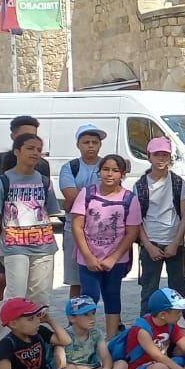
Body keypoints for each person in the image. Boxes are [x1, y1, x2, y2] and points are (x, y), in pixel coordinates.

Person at [0, 116, 51, 323]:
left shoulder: (42, 167)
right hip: (8, 233)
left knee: (35, 290)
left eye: (36, 138)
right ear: (14, 139)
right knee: (2, 279)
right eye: (26, 138)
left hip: (35, 239)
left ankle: (28, 330)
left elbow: (45, 206)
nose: (34, 148)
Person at [0, 132, 62, 328]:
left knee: (40, 300)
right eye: (30, 148)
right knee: (14, 299)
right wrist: (0, 247)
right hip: (15, 246)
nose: (35, 153)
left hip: (44, 246)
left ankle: (34, 342)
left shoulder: (45, 181)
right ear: (17, 151)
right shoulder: (2, 182)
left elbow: (51, 212)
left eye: (39, 150)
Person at [70, 154, 141, 336]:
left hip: (115, 260)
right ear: (99, 171)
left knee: (112, 296)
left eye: (115, 170)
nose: (110, 174)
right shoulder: (87, 194)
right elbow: (77, 226)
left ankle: (111, 339)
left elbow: (132, 232)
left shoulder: (129, 199)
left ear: (122, 174)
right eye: (106, 169)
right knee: (89, 297)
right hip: (88, 258)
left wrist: (113, 258)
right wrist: (87, 256)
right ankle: (85, 339)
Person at [136, 137, 185, 311]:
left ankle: (180, 328)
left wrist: (176, 242)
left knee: (178, 290)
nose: (161, 159)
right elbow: (136, 220)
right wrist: (148, 246)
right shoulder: (140, 185)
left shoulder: (177, 183)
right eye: (157, 155)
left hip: (174, 242)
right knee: (149, 290)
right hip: (151, 241)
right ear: (149, 156)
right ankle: (145, 329)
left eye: (165, 155)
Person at [57, 124, 106, 300]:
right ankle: (75, 322)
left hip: (104, 231)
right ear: (78, 145)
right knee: (76, 280)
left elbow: (114, 195)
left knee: (106, 278)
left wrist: (75, 200)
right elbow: (70, 194)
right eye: (86, 142)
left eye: (94, 142)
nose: (91, 145)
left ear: (100, 145)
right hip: (74, 230)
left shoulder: (107, 165)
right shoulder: (70, 167)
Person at [61, 295, 128, 369]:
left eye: (93, 313)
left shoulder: (96, 333)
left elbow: (105, 357)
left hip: (96, 368)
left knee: (122, 364)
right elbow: (61, 365)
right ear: (72, 318)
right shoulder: (64, 335)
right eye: (86, 314)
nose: (92, 318)